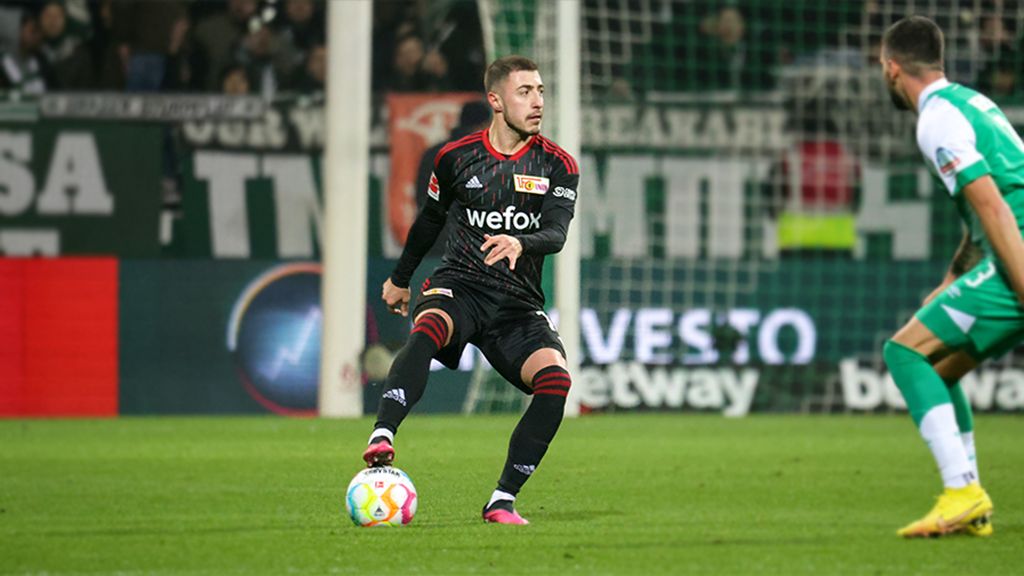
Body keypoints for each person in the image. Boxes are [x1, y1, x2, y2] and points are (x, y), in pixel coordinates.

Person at [363, 55, 580, 525]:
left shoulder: (558, 165)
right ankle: (383, 433)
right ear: (496, 100)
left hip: (517, 305)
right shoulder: (456, 157)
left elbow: (557, 235)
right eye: (525, 91)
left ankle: (502, 499)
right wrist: (401, 278)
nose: (538, 101)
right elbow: (429, 222)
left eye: (541, 90)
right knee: (428, 328)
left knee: (556, 381)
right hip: (461, 283)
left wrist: (521, 241)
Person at [878, 15, 1024, 538]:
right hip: (1006, 245)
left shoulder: (934, 121)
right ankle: (972, 505)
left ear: (892, 67)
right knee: (938, 367)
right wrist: (953, 277)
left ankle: (962, 492)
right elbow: (985, 207)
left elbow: (993, 205)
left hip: (1019, 247)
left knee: (904, 352)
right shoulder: (969, 102)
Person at [413, 99, 491, 257]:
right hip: (471, 247)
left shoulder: (434, 153)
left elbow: (421, 197)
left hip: (432, 242)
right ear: (483, 126)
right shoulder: (484, 157)